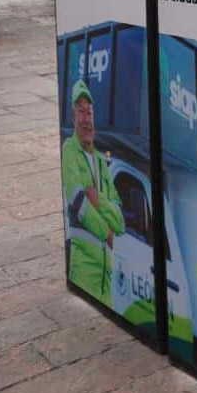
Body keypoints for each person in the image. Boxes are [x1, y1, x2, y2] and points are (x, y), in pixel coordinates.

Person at [61, 78, 125, 308]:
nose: (86, 119)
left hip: (107, 279)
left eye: (89, 113)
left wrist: (98, 200)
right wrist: (106, 233)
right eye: (81, 112)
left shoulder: (101, 160)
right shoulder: (69, 150)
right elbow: (78, 202)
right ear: (73, 116)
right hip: (84, 272)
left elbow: (120, 220)